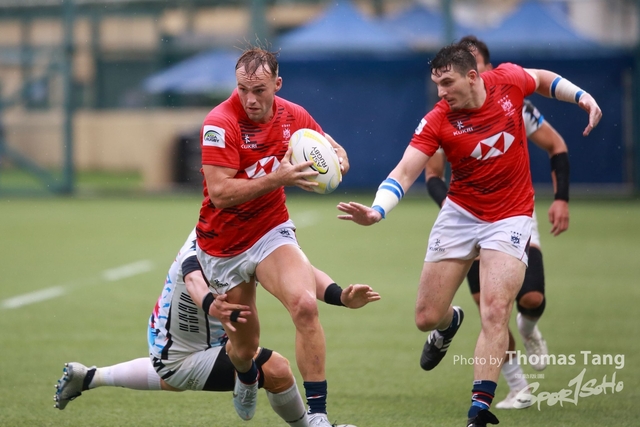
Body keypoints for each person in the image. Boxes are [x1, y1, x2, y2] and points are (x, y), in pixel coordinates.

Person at [337, 41, 601, 426]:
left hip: (510, 217)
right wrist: (377, 211)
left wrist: (582, 97)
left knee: (495, 309)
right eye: (436, 84)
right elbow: (406, 171)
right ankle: (449, 323)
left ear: (473, 76)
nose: (441, 92)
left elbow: (543, 80)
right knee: (426, 317)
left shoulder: (508, 81)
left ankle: (479, 409)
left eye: (447, 83)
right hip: (460, 214)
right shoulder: (438, 119)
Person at [54, 228, 379, 427]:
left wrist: (338, 295)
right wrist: (211, 304)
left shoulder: (249, 230)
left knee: (180, 375)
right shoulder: (205, 244)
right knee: (277, 371)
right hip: (180, 353)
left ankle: (90, 377)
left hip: (180, 342)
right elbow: (193, 277)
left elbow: (294, 270)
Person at [194, 46, 351, 427]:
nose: (250, 99)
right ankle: (247, 375)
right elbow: (220, 193)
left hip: (270, 230)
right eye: (243, 89)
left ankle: (317, 416)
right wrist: (277, 178)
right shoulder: (219, 123)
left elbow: (327, 144)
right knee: (244, 348)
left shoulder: (292, 115)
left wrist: (338, 159)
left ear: (277, 84)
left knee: (305, 305)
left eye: (259, 90)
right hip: (223, 247)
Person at [423, 35, 570, 410]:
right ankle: (518, 387)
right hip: (467, 220)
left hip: (514, 213)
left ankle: (529, 327)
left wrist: (562, 198)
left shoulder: (513, 98)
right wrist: (456, 212)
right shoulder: (446, 114)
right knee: (489, 309)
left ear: (482, 70)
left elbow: (556, 145)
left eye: (476, 64)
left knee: (531, 298)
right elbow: (432, 175)